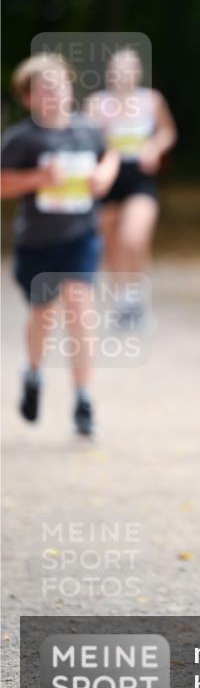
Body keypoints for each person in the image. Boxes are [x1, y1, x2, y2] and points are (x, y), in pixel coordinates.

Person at [0, 53, 120, 436]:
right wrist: (37, 178)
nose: (53, 93)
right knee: (43, 314)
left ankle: (83, 399)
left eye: (59, 85)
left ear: (70, 89)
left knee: (79, 307)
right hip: (36, 242)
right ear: (28, 98)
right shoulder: (21, 139)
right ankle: (33, 373)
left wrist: (103, 175)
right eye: (44, 89)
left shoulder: (86, 130)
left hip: (80, 236)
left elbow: (110, 155)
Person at [85, 48, 177, 323]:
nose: (123, 74)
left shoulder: (151, 100)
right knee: (111, 243)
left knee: (134, 238)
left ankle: (138, 296)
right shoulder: (96, 103)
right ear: (109, 73)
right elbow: (84, 139)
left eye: (129, 69)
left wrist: (154, 147)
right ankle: (122, 300)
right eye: (118, 69)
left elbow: (168, 131)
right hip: (107, 177)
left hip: (139, 176)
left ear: (138, 72)